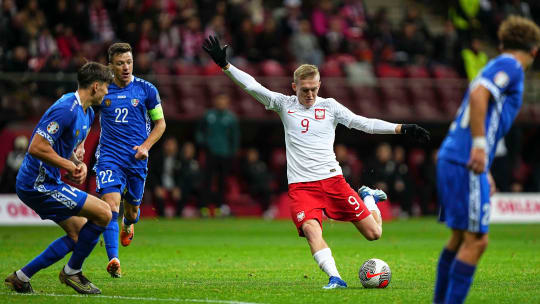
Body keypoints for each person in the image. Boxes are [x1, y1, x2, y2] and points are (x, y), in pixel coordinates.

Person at [203, 35, 430, 289]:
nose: (310, 94)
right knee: (311, 230)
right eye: (304, 90)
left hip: (333, 181)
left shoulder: (330, 107)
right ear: (294, 87)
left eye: (314, 89)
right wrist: (226, 66)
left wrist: (402, 128)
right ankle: (336, 278)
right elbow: (253, 86)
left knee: (374, 234)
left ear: (320, 84)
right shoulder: (283, 104)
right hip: (302, 186)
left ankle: (369, 198)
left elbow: (363, 123)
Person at [433, 16, 540, 304]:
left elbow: (482, 109)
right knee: (477, 240)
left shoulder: (495, 65)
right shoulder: (511, 65)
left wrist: (486, 167)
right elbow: (479, 95)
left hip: (456, 157)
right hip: (465, 158)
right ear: (534, 51)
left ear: (503, 42)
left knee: (459, 239)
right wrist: (479, 147)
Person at [4, 62, 113, 294]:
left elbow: (61, 146)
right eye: (105, 87)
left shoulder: (88, 113)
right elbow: (36, 147)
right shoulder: (66, 108)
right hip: (36, 184)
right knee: (104, 213)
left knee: (79, 234)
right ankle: (72, 272)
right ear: (95, 86)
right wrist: (68, 165)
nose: (107, 92)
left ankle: (21, 277)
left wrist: (76, 163)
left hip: (49, 182)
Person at [94, 42, 166, 278]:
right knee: (111, 207)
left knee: (132, 210)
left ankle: (128, 224)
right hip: (109, 157)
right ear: (110, 65)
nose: (125, 67)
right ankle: (113, 259)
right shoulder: (103, 90)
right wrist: (80, 146)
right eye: (120, 63)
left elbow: (160, 124)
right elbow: (86, 115)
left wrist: (146, 146)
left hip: (136, 158)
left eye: (129, 62)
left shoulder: (146, 90)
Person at [195, 93, 239, 217]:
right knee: (207, 181)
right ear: (215, 101)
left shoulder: (231, 118)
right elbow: (199, 132)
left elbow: (235, 138)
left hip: (225, 154)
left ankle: (220, 207)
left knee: (222, 182)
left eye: (224, 100)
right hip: (210, 153)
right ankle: (204, 208)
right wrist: (204, 143)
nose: (221, 103)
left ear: (227, 102)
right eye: (219, 100)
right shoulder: (208, 115)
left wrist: (232, 153)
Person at [147, 137, 182, 217]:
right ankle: (161, 216)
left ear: (176, 146)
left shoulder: (180, 158)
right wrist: (156, 187)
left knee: (182, 193)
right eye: (167, 144)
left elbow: (182, 176)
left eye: (171, 145)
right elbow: (151, 174)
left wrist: (178, 187)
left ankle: (178, 216)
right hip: (160, 185)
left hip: (174, 186)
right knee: (159, 196)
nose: (169, 147)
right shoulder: (157, 158)